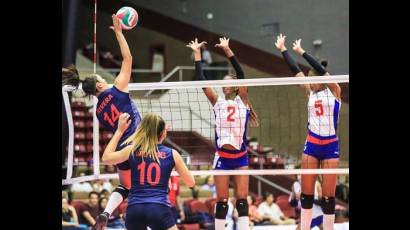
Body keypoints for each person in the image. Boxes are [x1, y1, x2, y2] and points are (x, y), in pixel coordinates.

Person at [62, 14, 142, 230]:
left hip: (120, 149)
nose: (102, 78)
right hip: (139, 143)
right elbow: (128, 59)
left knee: (125, 186)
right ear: (98, 86)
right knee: (146, 189)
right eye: (99, 78)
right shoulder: (118, 89)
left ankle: (107, 212)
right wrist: (118, 33)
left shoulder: (97, 111)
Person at [187, 37, 259, 230]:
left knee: (242, 200)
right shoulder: (217, 103)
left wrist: (228, 50)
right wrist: (197, 54)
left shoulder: (242, 101)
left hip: (241, 157)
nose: (224, 84)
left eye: (228, 82)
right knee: (222, 201)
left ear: (235, 86)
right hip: (223, 158)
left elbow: (241, 73)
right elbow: (201, 81)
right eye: (223, 82)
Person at [275, 34, 342, 230]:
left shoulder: (335, 91)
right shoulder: (309, 92)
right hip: (312, 145)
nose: (310, 82)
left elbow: (322, 70)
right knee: (306, 195)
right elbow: (295, 70)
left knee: (328, 197)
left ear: (321, 79)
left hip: (330, 146)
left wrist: (302, 52)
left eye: (313, 79)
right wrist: (283, 50)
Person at [101, 112, 195, 230]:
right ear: (163, 133)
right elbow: (191, 183)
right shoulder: (172, 154)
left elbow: (106, 158)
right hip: (159, 209)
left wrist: (119, 131)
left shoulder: (132, 150)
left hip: (134, 210)